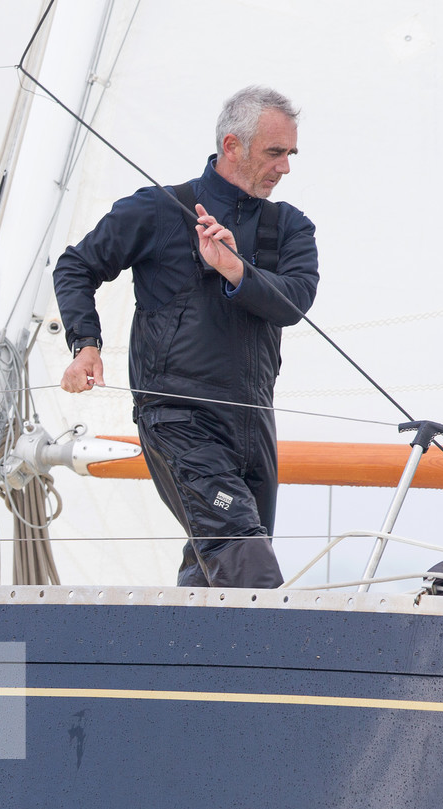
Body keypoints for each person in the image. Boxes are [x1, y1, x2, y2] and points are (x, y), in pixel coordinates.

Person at [52, 86, 319, 588]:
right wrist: (85, 343)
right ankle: (285, 659)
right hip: (179, 420)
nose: (285, 168)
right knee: (245, 564)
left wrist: (235, 269)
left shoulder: (290, 227)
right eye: (274, 153)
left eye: (290, 154)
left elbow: (295, 302)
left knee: (214, 567)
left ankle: (184, 662)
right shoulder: (157, 209)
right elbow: (76, 266)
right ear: (232, 145)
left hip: (254, 423)